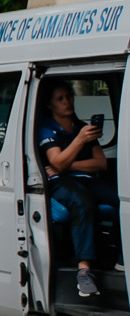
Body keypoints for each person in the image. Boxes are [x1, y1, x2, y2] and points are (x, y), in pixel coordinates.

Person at [39, 81, 117, 299]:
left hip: (83, 179)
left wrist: (67, 165)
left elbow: (100, 164)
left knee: (120, 197)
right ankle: (84, 271)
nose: (67, 102)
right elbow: (57, 161)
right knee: (82, 202)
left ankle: (121, 257)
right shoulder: (46, 128)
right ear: (50, 105)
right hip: (59, 183)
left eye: (69, 97)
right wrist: (79, 141)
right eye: (60, 99)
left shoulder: (81, 126)